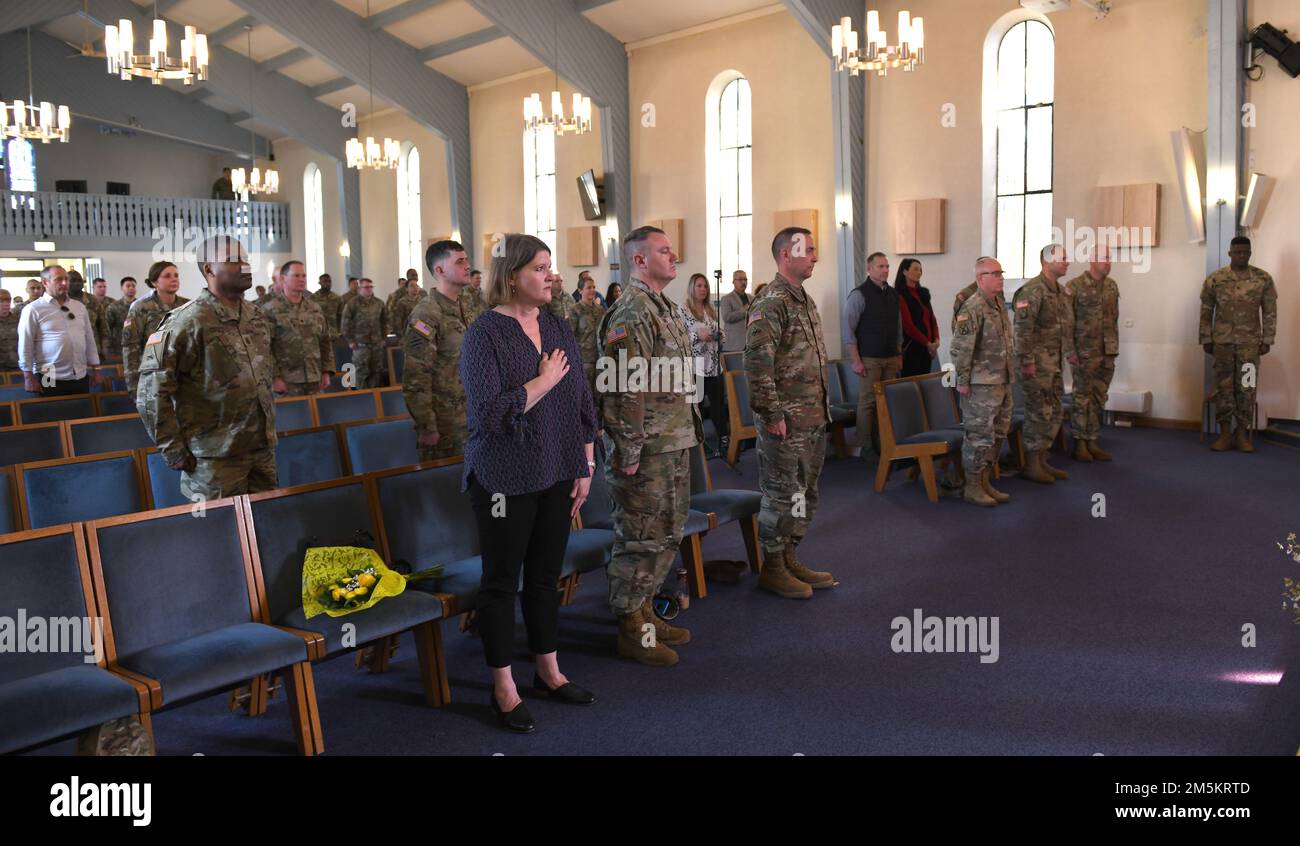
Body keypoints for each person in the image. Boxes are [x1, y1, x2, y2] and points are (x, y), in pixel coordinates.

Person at [459, 233, 598, 732]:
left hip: (557, 469)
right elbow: (487, 417)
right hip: (502, 477)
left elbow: (581, 396)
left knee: (544, 576)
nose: (550, 276)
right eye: (540, 268)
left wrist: (584, 462)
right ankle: (503, 686)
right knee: (501, 581)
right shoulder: (484, 335)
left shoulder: (557, 324)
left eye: (550, 267)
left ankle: (548, 671)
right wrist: (540, 383)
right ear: (512, 275)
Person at [597, 225, 702, 667]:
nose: (673, 254)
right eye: (663, 250)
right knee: (639, 537)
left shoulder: (666, 308)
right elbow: (623, 390)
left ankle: (644, 610)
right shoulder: (632, 312)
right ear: (639, 260)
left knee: (666, 531)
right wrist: (629, 451)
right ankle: (629, 626)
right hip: (645, 447)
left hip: (672, 437)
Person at [137, 235, 277, 501]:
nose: (245, 266)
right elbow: (150, 393)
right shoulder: (185, 321)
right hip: (214, 457)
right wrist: (173, 449)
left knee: (265, 526)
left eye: (245, 259)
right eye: (233, 260)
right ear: (209, 269)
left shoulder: (255, 316)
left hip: (261, 449)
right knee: (221, 534)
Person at [746, 227, 836, 599]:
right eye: (809, 250)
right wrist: (771, 414)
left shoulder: (803, 299)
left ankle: (789, 554)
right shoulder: (771, 302)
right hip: (785, 421)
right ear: (786, 254)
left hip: (812, 417)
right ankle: (773, 566)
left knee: (804, 493)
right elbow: (757, 364)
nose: (815, 256)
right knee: (782, 494)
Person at [1200, 235, 1277, 453]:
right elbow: (1206, 311)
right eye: (1237, 252)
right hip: (1222, 344)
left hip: (1250, 346)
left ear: (1250, 253)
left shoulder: (1263, 279)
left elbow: (1270, 311)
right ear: (1230, 253)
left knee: (1247, 388)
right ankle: (1225, 434)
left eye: (1245, 252)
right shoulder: (1216, 279)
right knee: (1224, 388)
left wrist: (1268, 339)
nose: (1241, 255)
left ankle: (1242, 434)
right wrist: (1206, 338)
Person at [951, 258, 1014, 507]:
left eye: (1001, 273)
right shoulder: (972, 307)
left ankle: (986, 480)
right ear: (980, 278)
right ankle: (973, 486)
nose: (1000, 277)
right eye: (995, 273)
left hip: (1002, 380)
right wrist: (963, 381)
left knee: (998, 434)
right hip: (980, 385)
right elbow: (961, 349)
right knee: (979, 437)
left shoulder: (998, 303)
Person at [1014, 244, 1078, 483]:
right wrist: (1027, 362)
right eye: (1062, 258)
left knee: (1053, 412)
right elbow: (1022, 331)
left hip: (1054, 365)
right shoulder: (1032, 291)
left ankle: (1042, 459)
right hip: (1036, 365)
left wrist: (1070, 353)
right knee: (1038, 412)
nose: (1067, 262)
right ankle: (1031, 463)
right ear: (1046, 262)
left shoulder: (1061, 292)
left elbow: (1066, 328)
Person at [403, 241, 471, 461]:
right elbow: (416, 377)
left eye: (466, 260)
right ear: (440, 270)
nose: (467, 265)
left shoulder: (465, 308)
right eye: (459, 261)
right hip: (445, 424)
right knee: (449, 489)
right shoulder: (426, 314)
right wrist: (427, 427)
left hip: (472, 416)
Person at [843, 252, 902, 460]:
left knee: (887, 402)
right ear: (869, 269)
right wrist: (856, 360)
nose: (885, 270)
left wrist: (899, 352)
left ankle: (883, 442)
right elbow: (848, 330)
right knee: (868, 402)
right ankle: (865, 445)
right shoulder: (859, 294)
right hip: (869, 358)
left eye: (887, 266)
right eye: (880, 266)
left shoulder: (893, 294)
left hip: (890, 357)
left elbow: (898, 327)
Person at [1065, 245, 1120, 461]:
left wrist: (1113, 348)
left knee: (1099, 398)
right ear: (1092, 259)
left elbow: (1113, 319)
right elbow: (1067, 322)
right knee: (1082, 398)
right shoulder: (1075, 286)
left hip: (1107, 351)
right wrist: (1070, 350)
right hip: (1083, 352)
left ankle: (1093, 440)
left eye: (1109, 258)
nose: (1108, 262)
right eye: (1104, 258)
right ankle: (1079, 442)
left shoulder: (1112, 286)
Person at [18, 266, 103, 396]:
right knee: (54, 411)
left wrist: (96, 369)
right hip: (48, 373)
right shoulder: (33, 309)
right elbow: (25, 345)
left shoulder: (79, 307)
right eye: (58, 279)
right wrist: (28, 377)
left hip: (79, 372)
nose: (64, 283)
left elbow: (89, 340)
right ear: (45, 283)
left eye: (65, 279)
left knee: (82, 411)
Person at [262, 260, 336, 397]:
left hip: (315, 378)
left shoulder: (314, 308)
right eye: (296, 276)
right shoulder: (270, 310)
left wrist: (326, 371)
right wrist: (275, 378)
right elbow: (264, 348)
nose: (301, 279)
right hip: (287, 381)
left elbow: (325, 341)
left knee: (317, 417)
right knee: (292, 418)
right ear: (283, 279)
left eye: (303, 276)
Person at [123, 261, 189, 395]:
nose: (174, 279)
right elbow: (131, 348)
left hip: (184, 377)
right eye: (167, 276)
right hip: (152, 378)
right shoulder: (141, 308)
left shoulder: (187, 306)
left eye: (176, 275)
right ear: (154, 282)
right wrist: (134, 385)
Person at [682, 272, 726, 454]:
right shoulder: (683, 309)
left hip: (714, 365)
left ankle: (724, 440)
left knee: (718, 406)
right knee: (696, 407)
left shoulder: (710, 309)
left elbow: (722, 332)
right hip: (695, 367)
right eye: (699, 285)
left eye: (705, 286)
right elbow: (681, 337)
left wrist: (720, 335)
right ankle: (697, 444)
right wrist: (697, 336)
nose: (703, 289)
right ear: (692, 287)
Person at [340, 278, 387, 388]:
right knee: (362, 373)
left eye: (371, 287)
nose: (369, 289)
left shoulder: (379, 303)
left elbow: (385, 322)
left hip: (376, 345)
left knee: (376, 372)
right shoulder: (352, 303)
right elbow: (345, 324)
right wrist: (351, 341)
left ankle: (376, 401)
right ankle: (363, 398)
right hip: (360, 346)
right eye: (366, 287)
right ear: (360, 289)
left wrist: (383, 338)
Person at [896, 259, 939, 377]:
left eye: (920, 270)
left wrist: (936, 340)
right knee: (912, 386)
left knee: (925, 383)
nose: (919, 272)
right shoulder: (899, 295)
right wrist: (927, 343)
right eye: (915, 269)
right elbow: (908, 325)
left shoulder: (923, 293)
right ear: (904, 271)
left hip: (927, 348)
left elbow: (932, 319)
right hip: (912, 347)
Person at [568, 272, 605, 400]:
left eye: (594, 287)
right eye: (589, 288)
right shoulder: (574, 310)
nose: (592, 290)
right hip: (584, 360)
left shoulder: (600, 310)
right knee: (585, 395)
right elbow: (569, 336)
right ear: (580, 290)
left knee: (600, 394)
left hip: (600, 358)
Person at [105, 277, 137, 359]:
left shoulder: (141, 305)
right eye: (128, 286)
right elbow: (108, 329)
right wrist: (109, 349)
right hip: (119, 349)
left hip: (138, 347)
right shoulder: (113, 307)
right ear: (122, 288)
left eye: (133, 286)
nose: (131, 288)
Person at [719, 270, 751, 353]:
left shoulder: (752, 298)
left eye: (745, 279)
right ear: (733, 282)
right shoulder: (726, 299)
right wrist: (744, 311)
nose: (743, 282)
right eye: (740, 280)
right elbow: (726, 317)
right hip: (733, 344)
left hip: (750, 344)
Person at [311, 273, 344, 339]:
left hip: (333, 333)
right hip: (318, 333)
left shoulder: (337, 298)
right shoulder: (313, 298)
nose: (328, 284)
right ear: (320, 283)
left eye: (329, 281)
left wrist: (340, 331)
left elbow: (340, 316)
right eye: (325, 281)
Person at [0, 289, 19, 372]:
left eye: (8, 300)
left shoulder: (18, 320)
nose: (6, 303)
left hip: (17, 367)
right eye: (1, 300)